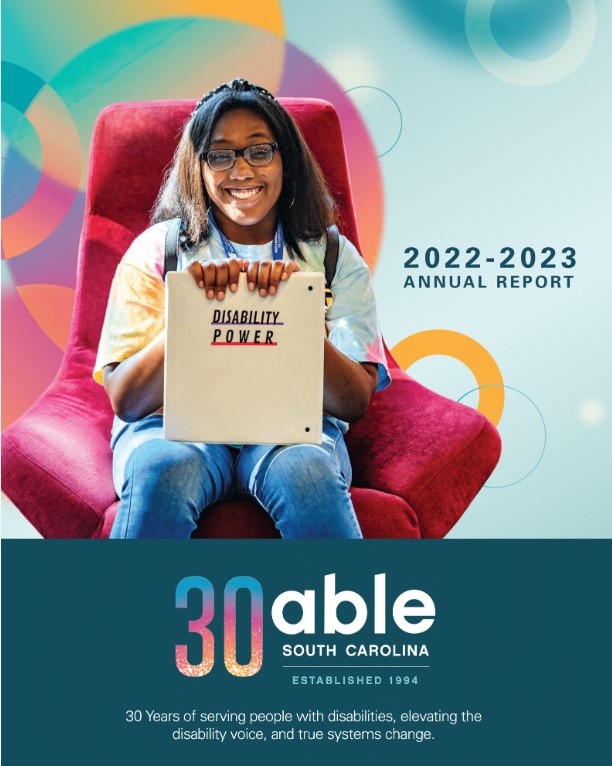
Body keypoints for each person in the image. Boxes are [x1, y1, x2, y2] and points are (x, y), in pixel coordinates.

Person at [94, 78, 390, 539]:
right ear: (199, 168)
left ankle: (340, 609)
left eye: (259, 151)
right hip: (174, 429)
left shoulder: (332, 257)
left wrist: (296, 316)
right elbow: (127, 400)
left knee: (307, 470)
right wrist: (192, 316)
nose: (241, 171)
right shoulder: (159, 251)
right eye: (220, 155)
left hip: (288, 431)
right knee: (160, 468)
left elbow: (352, 402)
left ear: (285, 159)